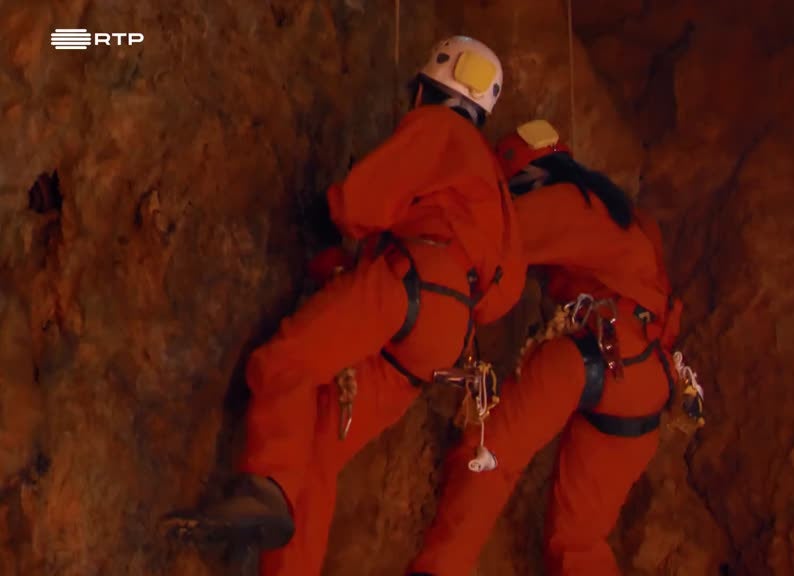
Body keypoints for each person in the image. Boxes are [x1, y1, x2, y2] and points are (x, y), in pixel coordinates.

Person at [164, 36, 525, 576]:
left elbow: (361, 202)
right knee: (318, 446)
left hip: (411, 283)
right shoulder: (496, 185)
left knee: (287, 360)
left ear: (424, 89)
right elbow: (504, 292)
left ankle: (265, 486)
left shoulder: (439, 128)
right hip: (447, 334)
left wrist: (335, 211)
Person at [407, 119, 699, 576]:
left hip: (593, 359)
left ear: (534, 174)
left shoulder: (565, 202)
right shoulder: (623, 217)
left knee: (489, 454)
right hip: (648, 380)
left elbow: (492, 239)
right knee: (581, 541)